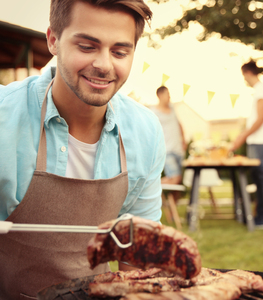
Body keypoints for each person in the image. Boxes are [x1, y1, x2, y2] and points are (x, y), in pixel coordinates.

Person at [0, 1, 165, 299]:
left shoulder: (146, 131)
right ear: (53, 40)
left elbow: (137, 258)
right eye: (87, 46)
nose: (104, 64)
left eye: (119, 52)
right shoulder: (3, 117)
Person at [230, 61, 263, 230]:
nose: (244, 79)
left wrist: (242, 136)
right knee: (258, 179)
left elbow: (260, 119)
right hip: (257, 143)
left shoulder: (262, 91)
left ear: (248, 73)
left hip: (261, 143)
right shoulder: (259, 91)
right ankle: (260, 215)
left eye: (244, 76)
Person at [151, 86, 187, 185]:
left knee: (179, 182)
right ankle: (149, 187)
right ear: (160, 95)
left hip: (178, 149)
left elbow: (179, 124)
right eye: (167, 94)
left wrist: (184, 140)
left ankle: (172, 201)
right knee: (175, 178)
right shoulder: (154, 112)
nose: (169, 97)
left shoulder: (172, 108)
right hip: (167, 150)